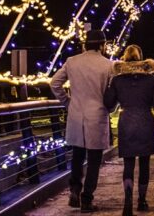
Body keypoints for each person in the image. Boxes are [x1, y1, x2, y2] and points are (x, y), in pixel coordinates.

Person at [50, 29, 114, 212]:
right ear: (102, 45)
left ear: (85, 45)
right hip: (98, 115)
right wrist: (111, 108)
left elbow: (54, 83)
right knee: (94, 160)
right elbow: (113, 93)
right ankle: (87, 199)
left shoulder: (72, 61)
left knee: (77, 156)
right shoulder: (108, 65)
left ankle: (74, 190)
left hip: (76, 115)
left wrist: (67, 102)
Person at [104, 45, 154, 215]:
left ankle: (128, 198)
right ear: (141, 58)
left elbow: (109, 104)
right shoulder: (150, 80)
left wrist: (108, 88)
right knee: (144, 163)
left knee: (128, 163)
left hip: (126, 122)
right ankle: (142, 200)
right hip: (145, 121)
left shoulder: (117, 80)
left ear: (125, 58)